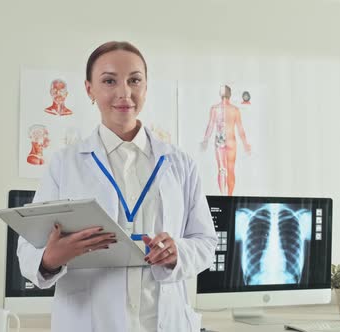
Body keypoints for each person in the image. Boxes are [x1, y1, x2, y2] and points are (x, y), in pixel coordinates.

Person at [18, 41, 218, 332]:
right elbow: (28, 249)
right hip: (90, 322)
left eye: (134, 80)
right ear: (89, 89)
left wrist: (179, 252)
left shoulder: (180, 164)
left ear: (146, 87)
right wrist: (49, 259)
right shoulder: (65, 164)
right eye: (109, 81)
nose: (124, 93)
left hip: (162, 321)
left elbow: (206, 242)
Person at [201, 85, 251, 196]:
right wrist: (245, 144)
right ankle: (229, 196)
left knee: (222, 170)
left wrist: (205, 140)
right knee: (230, 170)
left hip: (219, 140)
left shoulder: (215, 109)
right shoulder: (235, 110)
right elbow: (240, 129)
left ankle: (224, 195)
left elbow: (210, 126)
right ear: (230, 94)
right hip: (231, 140)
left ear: (220, 94)